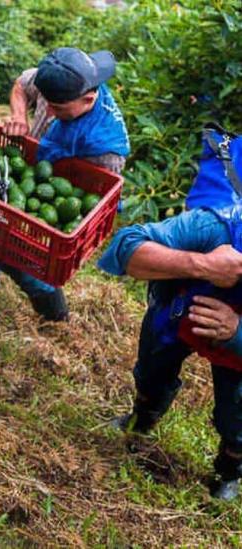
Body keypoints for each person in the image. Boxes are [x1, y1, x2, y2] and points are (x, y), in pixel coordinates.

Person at [0, 47, 130, 362]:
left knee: (33, 270)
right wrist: (18, 116)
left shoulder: (103, 149)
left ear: (88, 99)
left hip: (44, 216)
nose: (50, 113)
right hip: (16, 188)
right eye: (48, 105)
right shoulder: (58, 82)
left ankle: (56, 319)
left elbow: (93, 203)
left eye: (58, 108)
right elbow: (21, 84)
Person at [99, 126, 242, 501]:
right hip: (181, 309)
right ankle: (143, 417)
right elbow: (125, 248)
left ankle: (230, 468)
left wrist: (236, 332)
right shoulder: (219, 225)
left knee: (237, 415)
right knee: (153, 369)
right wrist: (204, 266)